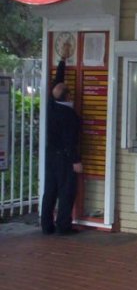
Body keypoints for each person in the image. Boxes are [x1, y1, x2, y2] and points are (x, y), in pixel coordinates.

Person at [41, 43, 83, 235]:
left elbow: (56, 84)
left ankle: (46, 225)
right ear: (68, 95)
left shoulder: (51, 107)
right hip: (65, 158)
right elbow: (70, 140)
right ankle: (63, 226)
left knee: (50, 191)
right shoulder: (69, 115)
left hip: (50, 156)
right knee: (66, 191)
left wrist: (62, 61)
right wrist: (75, 161)